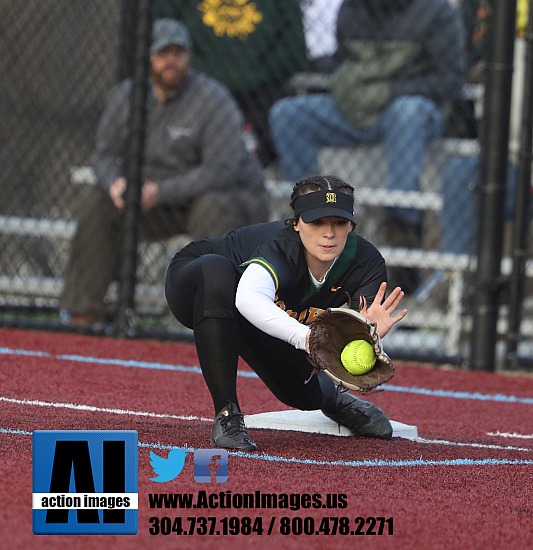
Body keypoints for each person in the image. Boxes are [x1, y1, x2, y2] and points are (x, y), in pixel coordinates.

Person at [165, 174, 408, 450]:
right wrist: (307, 339)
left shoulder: (366, 263)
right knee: (216, 271)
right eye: (317, 222)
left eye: (339, 223)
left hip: (255, 312)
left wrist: (368, 337)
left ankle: (335, 401)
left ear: (351, 225)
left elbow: (349, 346)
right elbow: (248, 299)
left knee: (304, 396)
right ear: (296, 224)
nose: (328, 233)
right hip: (196, 286)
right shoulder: (282, 247)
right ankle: (227, 414)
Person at [60, 18, 267, 324]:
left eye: (178, 53)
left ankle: (211, 318)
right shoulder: (125, 96)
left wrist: (161, 192)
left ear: (189, 57)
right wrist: (115, 184)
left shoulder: (213, 99)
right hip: (151, 202)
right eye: (163, 53)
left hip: (217, 202)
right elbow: (103, 156)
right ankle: (84, 312)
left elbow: (222, 170)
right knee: (96, 200)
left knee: (212, 206)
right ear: (149, 58)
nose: (171, 61)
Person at [269, 0, 468, 293]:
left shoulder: (435, 11)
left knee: (407, 112)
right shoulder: (353, 9)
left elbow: (451, 79)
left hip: (413, 114)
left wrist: (389, 91)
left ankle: (402, 233)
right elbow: (343, 61)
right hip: (357, 111)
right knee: (287, 114)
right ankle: (311, 219)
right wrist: (342, 80)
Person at [154, 0, 309, 167]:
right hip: (198, 92)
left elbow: (294, 52)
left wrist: (249, 73)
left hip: (261, 96)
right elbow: (164, 37)